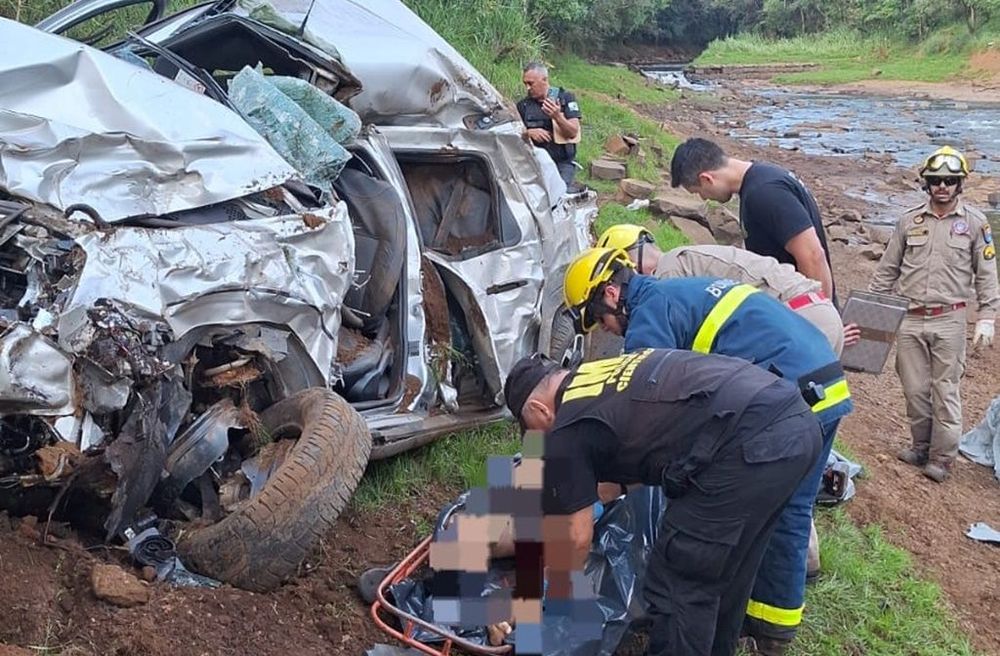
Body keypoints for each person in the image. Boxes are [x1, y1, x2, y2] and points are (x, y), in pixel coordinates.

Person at [563, 248, 854, 655]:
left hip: (790, 396)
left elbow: (639, 418)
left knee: (728, 526)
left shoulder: (649, 316)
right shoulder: (680, 291)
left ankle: (756, 627)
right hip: (825, 383)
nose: (609, 332)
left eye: (601, 319)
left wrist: (594, 496)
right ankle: (770, 629)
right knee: (786, 513)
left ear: (612, 294)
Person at [504, 348, 822, 656]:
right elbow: (629, 469)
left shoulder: (564, 429)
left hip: (746, 445)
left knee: (679, 581)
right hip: (793, 424)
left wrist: (529, 600)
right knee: (727, 574)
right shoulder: (600, 380)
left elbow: (575, 542)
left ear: (536, 410)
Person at [869, 146, 998, 483]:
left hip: (950, 318)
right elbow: (887, 270)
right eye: (936, 180)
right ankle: (921, 446)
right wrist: (871, 314)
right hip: (909, 317)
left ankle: (943, 457)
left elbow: (986, 273)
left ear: (960, 184)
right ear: (926, 183)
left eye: (950, 180)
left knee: (946, 390)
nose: (942, 186)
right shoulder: (908, 221)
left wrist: (987, 316)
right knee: (914, 388)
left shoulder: (975, 223)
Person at [596, 223, 850, 354]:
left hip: (795, 319)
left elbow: (659, 357)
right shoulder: (687, 259)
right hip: (815, 311)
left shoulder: (667, 276)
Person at [669, 138, 838, 307]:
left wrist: (822, 318)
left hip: (805, 312)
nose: (704, 198)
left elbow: (814, 256)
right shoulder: (761, 177)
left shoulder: (765, 192)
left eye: (698, 192)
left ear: (706, 179)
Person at [516, 62, 581, 187]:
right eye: (525, 84)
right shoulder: (523, 105)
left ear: (544, 80)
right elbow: (512, 135)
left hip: (562, 163)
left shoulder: (565, 99)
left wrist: (557, 116)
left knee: (559, 195)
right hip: (534, 164)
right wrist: (528, 133)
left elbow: (573, 132)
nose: (527, 88)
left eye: (531, 83)